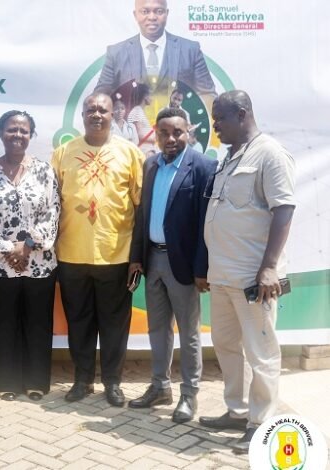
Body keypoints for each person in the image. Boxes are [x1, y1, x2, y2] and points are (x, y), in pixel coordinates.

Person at [199, 90, 296, 454]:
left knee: (261, 351)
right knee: (225, 344)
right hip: (222, 275)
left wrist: (270, 267)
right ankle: (237, 411)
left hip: (254, 278)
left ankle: (262, 423)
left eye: (219, 119)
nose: (215, 127)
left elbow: (283, 210)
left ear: (241, 114)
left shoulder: (270, 153)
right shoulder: (230, 158)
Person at [51, 93, 144, 408]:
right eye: (90, 109)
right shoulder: (63, 153)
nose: (96, 115)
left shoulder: (130, 154)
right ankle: (82, 379)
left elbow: (141, 208)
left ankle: (113, 382)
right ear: (82, 114)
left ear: (112, 114)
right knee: (79, 321)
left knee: (115, 324)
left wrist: (137, 257)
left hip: (116, 255)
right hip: (71, 254)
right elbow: (50, 206)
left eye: (102, 110)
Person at [127, 107, 216, 423]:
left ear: (189, 131)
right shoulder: (151, 164)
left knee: (189, 333)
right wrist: (137, 257)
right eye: (164, 132)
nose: (171, 138)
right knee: (157, 329)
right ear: (156, 133)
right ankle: (159, 387)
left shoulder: (204, 166)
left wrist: (201, 269)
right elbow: (143, 213)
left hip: (184, 266)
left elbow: (208, 222)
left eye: (177, 132)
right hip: (153, 260)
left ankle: (189, 396)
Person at [0, 111, 59, 402]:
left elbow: (52, 213)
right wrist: (7, 250)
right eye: (11, 130)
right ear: (0, 133)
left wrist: (26, 245)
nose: (17, 135)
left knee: (38, 322)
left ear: (31, 135)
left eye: (24, 131)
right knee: (4, 322)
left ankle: (36, 380)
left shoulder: (44, 171)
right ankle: (6, 381)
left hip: (39, 263)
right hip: (0, 265)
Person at [94, 0, 215, 100]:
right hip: (132, 126)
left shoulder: (191, 50)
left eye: (159, 11)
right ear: (135, 15)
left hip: (180, 126)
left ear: (167, 13)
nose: (152, 17)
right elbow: (100, 97)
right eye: (145, 11)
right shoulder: (115, 53)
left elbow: (207, 94)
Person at [128, 83, 158, 156]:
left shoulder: (139, 111)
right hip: (144, 152)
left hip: (147, 150)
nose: (152, 98)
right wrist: (158, 138)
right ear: (145, 96)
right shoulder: (136, 111)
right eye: (150, 95)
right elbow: (139, 135)